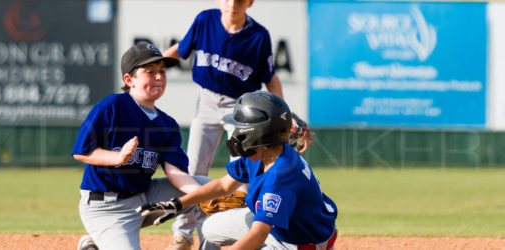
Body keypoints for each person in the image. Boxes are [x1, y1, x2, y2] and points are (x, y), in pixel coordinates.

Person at [137, 91, 338, 250]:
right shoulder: (262, 153)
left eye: (240, 128)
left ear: (257, 134)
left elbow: (258, 233)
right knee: (210, 228)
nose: (236, 133)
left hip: (300, 243)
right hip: (280, 226)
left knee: (255, 239)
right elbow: (225, 184)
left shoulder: (280, 176)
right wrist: (178, 204)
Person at [163, 0, 286, 248]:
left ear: (249, 2)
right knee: (193, 169)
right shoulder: (205, 20)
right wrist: (152, 65)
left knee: (243, 172)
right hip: (206, 100)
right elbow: (180, 49)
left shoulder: (258, 36)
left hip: (241, 107)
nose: (232, 4)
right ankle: (183, 235)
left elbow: (271, 79)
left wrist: (284, 119)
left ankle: (238, 233)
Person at [72, 42, 210, 250]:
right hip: (107, 208)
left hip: (145, 199)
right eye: (150, 72)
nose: (159, 77)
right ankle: (99, 240)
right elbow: (83, 152)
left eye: (162, 72)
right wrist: (117, 158)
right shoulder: (112, 106)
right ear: (129, 80)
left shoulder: (167, 124)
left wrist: (203, 195)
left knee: (207, 188)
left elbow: (175, 172)